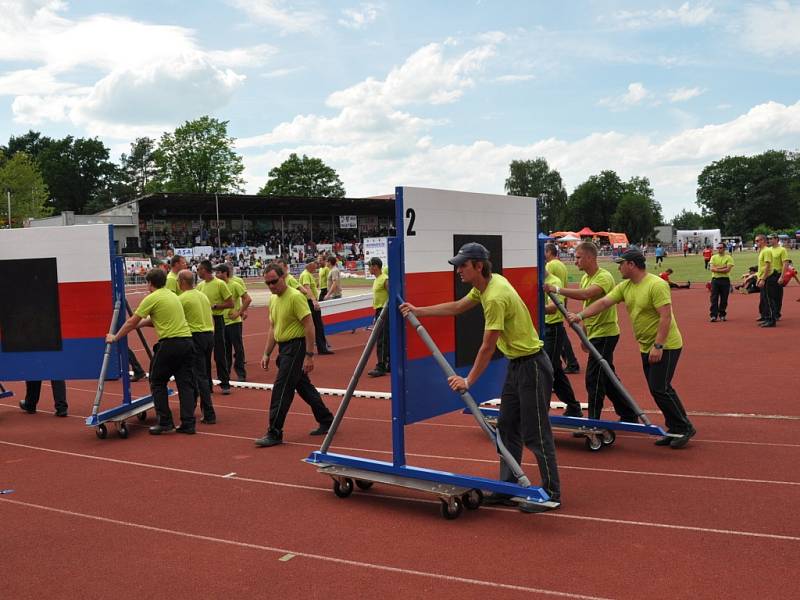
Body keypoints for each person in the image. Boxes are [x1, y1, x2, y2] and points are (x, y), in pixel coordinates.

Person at [400, 243, 561, 511]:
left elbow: (487, 346)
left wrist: (468, 381)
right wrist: (419, 311)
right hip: (518, 365)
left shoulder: (496, 295)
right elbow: (457, 307)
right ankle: (508, 487)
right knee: (507, 426)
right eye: (458, 265)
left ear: (478, 266)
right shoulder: (487, 284)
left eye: (463, 265)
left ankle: (553, 493)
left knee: (536, 433)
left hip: (532, 366)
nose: (458, 271)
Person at [567, 248, 695, 448]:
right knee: (657, 389)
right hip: (646, 345)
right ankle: (675, 427)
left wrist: (658, 345)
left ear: (632, 265)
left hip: (666, 345)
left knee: (660, 388)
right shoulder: (625, 286)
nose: (619, 268)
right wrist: (580, 316)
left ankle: (684, 427)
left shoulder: (656, 284)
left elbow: (666, 316)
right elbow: (603, 303)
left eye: (621, 264)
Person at [544, 241, 637, 423]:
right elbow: (589, 307)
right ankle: (628, 413)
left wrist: (556, 289)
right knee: (608, 378)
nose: (575, 261)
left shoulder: (604, 277)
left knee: (594, 378)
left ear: (589, 257)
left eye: (578, 257)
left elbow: (587, 295)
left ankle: (593, 422)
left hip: (606, 334)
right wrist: (585, 336)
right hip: (595, 334)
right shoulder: (586, 277)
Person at [107, 268, 196, 434]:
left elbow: (131, 322)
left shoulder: (152, 298)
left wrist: (115, 337)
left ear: (149, 283)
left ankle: (165, 422)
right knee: (185, 384)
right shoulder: (171, 295)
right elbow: (159, 320)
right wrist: (140, 324)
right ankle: (188, 423)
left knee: (157, 381)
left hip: (170, 343)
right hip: (187, 341)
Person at [254, 263, 334, 447]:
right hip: (284, 348)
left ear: (283, 278)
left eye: (274, 281)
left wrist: (309, 355)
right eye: (268, 283)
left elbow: (309, 325)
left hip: (296, 347)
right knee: (303, 386)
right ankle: (327, 418)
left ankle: (274, 432)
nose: (271, 286)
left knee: (282, 389)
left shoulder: (295, 297)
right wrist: (266, 353)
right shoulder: (273, 300)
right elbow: (273, 328)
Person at [178, 269, 216, 424]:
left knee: (198, 376)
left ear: (181, 282)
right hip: (208, 335)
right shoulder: (202, 295)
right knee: (202, 374)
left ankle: (208, 413)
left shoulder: (182, 298)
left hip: (196, 336)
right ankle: (196, 407)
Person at [542, 271, 582, 417]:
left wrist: (533, 308)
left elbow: (553, 308)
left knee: (547, 371)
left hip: (552, 330)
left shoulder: (554, 282)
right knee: (555, 371)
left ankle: (541, 411)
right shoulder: (534, 280)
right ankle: (573, 407)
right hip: (540, 330)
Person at [197, 259, 234, 393]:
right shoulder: (200, 286)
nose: (197, 272)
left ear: (204, 270)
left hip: (217, 320)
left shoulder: (220, 284)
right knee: (205, 355)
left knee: (220, 353)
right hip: (204, 321)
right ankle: (207, 385)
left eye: (199, 269)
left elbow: (231, 303)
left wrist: (216, 306)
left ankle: (225, 383)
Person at [544, 243, 579, 374]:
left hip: (552, 306)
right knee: (561, 338)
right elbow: (564, 285)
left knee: (557, 338)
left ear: (549, 252)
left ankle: (569, 363)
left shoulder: (550, 265)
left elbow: (548, 284)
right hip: (560, 302)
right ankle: (571, 362)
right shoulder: (561, 264)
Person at [214, 264, 252, 381]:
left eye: (218, 272)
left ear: (225, 273)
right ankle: (227, 373)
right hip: (221, 322)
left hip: (234, 322)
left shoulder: (235, 284)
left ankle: (241, 373)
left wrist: (239, 312)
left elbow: (247, 299)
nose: (216, 275)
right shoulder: (217, 286)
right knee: (225, 350)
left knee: (238, 349)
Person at [298, 258, 333, 355]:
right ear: (310, 264)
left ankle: (320, 347)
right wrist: (314, 301)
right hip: (310, 302)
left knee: (315, 325)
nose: (317, 266)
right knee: (318, 325)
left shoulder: (307, 274)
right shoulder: (306, 275)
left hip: (309, 302)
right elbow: (307, 288)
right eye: (315, 264)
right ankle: (321, 348)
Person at [367, 257, 390, 377]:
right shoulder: (377, 279)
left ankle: (381, 366)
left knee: (382, 338)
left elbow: (391, 294)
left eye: (370, 266)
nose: (368, 268)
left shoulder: (384, 279)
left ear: (375, 266)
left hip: (384, 311)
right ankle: (387, 364)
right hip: (379, 310)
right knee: (384, 338)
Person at [709, 242, 734, 322]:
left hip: (725, 280)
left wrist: (717, 268)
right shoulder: (713, 257)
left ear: (724, 248)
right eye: (718, 248)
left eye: (720, 248)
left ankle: (722, 314)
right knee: (714, 298)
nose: (719, 249)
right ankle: (713, 315)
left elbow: (727, 270)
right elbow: (712, 269)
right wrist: (723, 267)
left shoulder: (729, 257)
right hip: (715, 280)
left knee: (724, 299)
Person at [755, 234, 776, 327]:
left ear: (763, 240)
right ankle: (767, 318)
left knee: (769, 299)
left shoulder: (766, 251)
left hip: (768, 278)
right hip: (764, 277)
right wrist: (759, 278)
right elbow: (761, 267)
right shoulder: (762, 251)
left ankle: (772, 320)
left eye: (757, 241)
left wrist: (763, 279)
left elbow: (768, 266)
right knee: (765, 300)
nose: (756, 243)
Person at [769, 234, 789, 320]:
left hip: (777, 274)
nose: (769, 240)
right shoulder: (768, 250)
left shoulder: (782, 250)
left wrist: (782, 276)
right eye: (768, 239)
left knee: (777, 296)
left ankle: (777, 314)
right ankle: (769, 313)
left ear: (776, 239)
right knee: (768, 296)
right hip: (769, 275)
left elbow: (785, 263)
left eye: (771, 239)